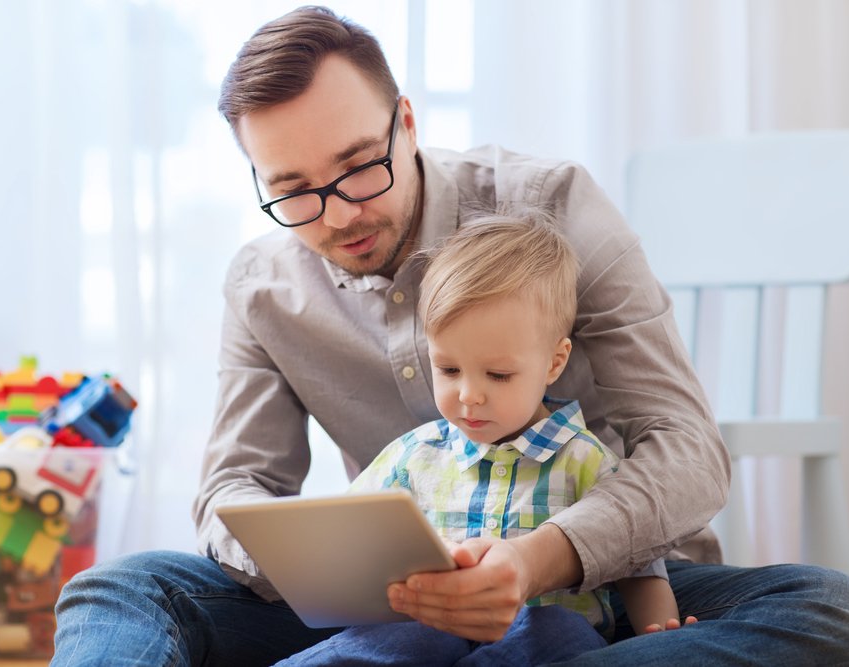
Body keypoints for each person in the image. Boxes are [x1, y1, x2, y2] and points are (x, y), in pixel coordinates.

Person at [51, 6, 849, 666]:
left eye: (358, 167)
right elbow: (236, 490)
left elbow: (688, 449)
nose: (339, 212)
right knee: (120, 590)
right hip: (382, 619)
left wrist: (535, 560)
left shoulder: (553, 207)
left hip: (597, 597)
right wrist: (352, 569)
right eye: (295, 191)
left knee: (831, 611)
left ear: (406, 120)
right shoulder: (261, 285)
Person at [276, 213, 696, 666]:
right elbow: (348, 532)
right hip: (428, 633)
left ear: (554, 363)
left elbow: (638, 567)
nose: (469, 395)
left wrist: (659, 635)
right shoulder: (415, 455)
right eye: (449, 369)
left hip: (538, 634)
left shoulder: (584, 460)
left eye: (498, 375)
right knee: (390, 639)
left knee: (558, 630)